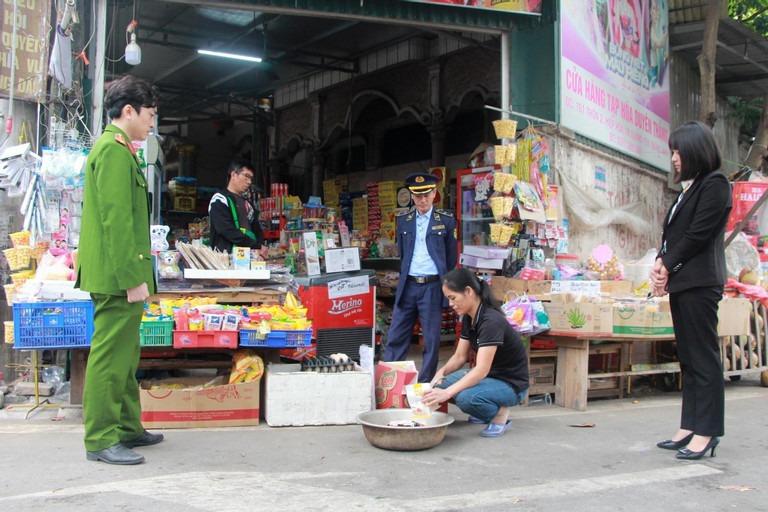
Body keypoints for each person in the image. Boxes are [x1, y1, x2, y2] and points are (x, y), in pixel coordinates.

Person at [76, 75, 164, 465]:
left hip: (121, 273)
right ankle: (100, 438)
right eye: (149, 115)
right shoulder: (112, 151)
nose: (151, 123)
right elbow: (116, 222)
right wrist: (132, 278)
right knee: (110, 357)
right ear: (128, 111)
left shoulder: (122, 149)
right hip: (116, 276)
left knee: (126, 356)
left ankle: (128, 427)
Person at [650, 120, 732, 460]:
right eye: (672, 152)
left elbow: (697, 235)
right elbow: (672, 235)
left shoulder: (715, 185)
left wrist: (667, 265)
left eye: (678, 151)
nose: (674, 158)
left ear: (696, 150)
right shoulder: (690, 188)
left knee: (703, 357)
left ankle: (707, 431)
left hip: (700, 283)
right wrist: (659, 263)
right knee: (688, 356)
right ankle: (689, 425)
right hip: (684, 283)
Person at [421, 268, 529, 437]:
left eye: (453, 298)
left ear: (469, 291)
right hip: (489, 377)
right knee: (439, 387)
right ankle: (485, 408)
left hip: (510, 383)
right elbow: (459, 357)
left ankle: (499, 414)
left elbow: (481, 370)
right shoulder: (469, 317)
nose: (450, 304)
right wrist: (440, 374)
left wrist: (448, 393)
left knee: (465, 398)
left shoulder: (490, 321)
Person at [383, 172, 457, 383]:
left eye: (426, 195)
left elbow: (450, 259)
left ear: (434, 194)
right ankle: (390, 383)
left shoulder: (446, 220)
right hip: (408, 285)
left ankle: (425, 386)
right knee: (396, 335)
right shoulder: (403, 221)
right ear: (412, 197)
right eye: (417, 196)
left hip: (432, 286)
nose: (422, 200)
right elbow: (402, 254)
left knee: (432, 340)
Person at [208, 160, 265, 254]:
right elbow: (225, 230)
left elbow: (256, 229)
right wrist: (255, 245)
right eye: (246, 176)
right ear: (234, 174)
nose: (249, 182)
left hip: (247, 258)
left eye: (251, 178)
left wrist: (260, 246)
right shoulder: (220, 199)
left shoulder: (248, 205)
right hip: (225, 258)